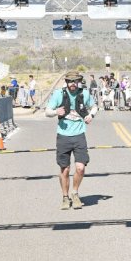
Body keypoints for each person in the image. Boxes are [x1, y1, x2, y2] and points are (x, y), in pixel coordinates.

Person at [45, 71, 98, 210]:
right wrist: (56, 112)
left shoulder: (84, 94)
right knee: (65, 169)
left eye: (75, 81)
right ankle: (65, 197)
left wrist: (91, 115)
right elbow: (47, 111)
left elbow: (94, 106)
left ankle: (74, 193)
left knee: (80, 168)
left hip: (79, 135)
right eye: (70, 81)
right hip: (63, 136)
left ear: (79, 82)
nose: (73, 84)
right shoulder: (59, 94)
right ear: (67, 82)